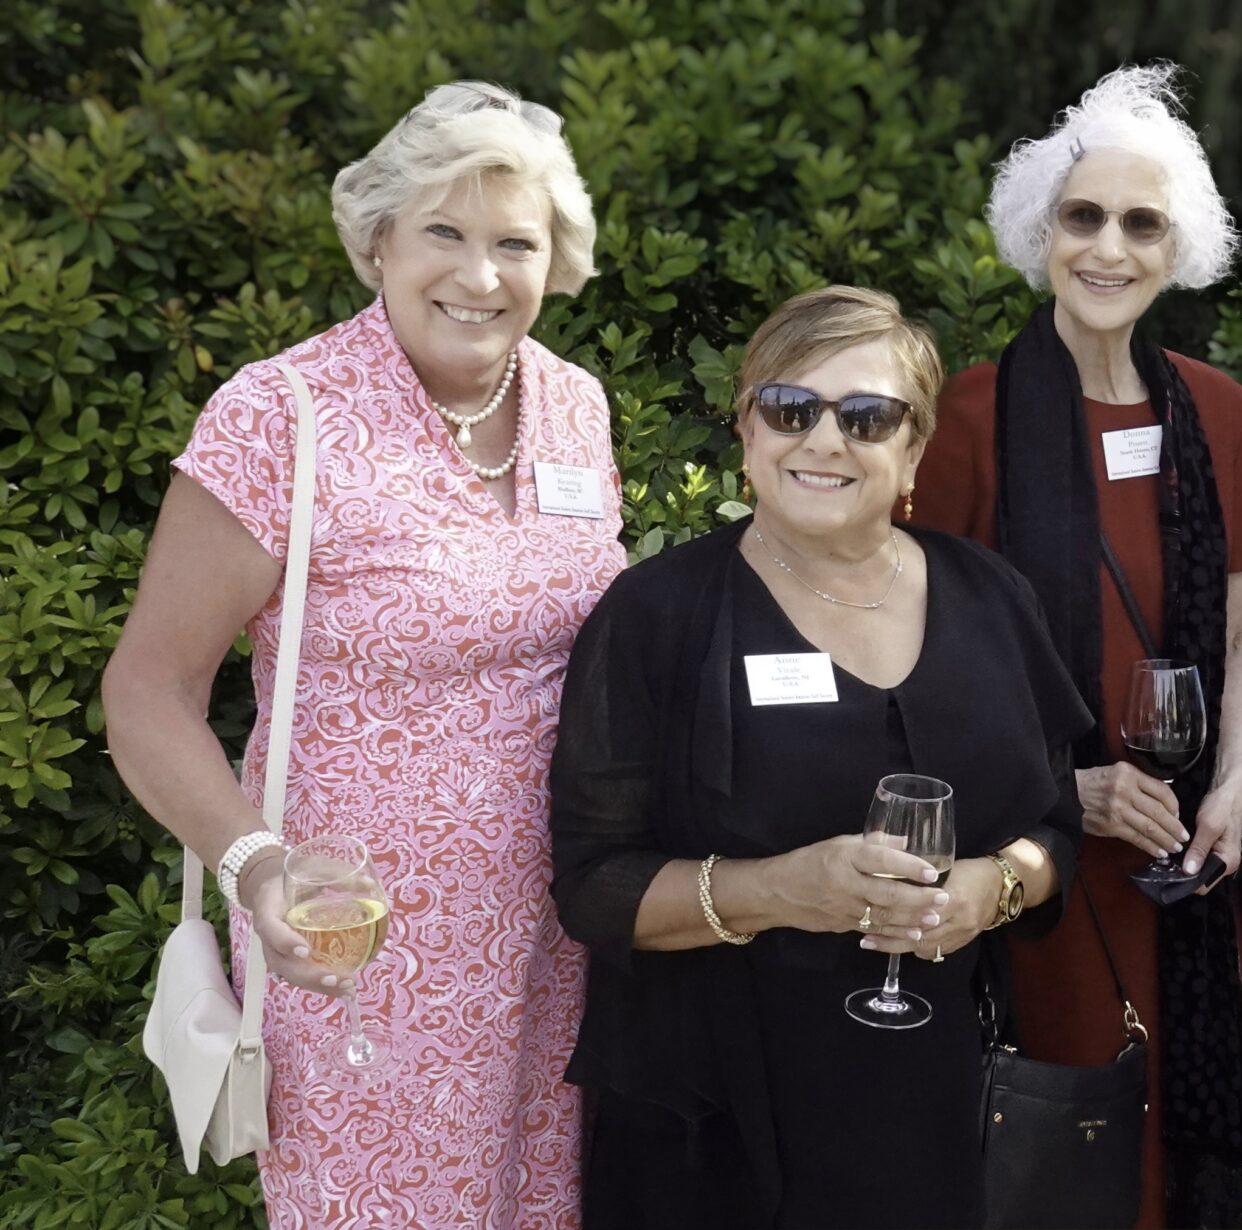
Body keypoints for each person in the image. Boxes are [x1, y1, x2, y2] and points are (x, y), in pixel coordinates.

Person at [101, 80, 610, 1228]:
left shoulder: (578, 406)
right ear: (379, 240)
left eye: (514, 243)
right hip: (351, 944)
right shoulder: (279, 416)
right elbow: (147, 690)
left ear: (555, 260)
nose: (480, 275)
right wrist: (256, 868)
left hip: (554, 940)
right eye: (444, 232)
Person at [548, 286, 1089, 1227]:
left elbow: (1056, 825)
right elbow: (594, 887)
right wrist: (783, 890)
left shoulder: (992, 596)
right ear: (746, 430)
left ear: (914, 448)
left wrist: (994, 888)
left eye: (867, 416)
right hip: (711, 1118)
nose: (825, 440)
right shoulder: (657, 615)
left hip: (932, 1101)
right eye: (790, 408)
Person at [906, 62, 1242, 1228]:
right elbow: (916, 668)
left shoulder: (1223, 414)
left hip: (1186, 862)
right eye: (1083, 217)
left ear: (1178, 247)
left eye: (1141, 224)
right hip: (1038, 874)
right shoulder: (966, 418)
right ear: (1041, 232)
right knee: (1058, 1159)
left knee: (1178, 1146)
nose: (1108, 248)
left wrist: (1230, 795)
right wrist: (1067, 790)